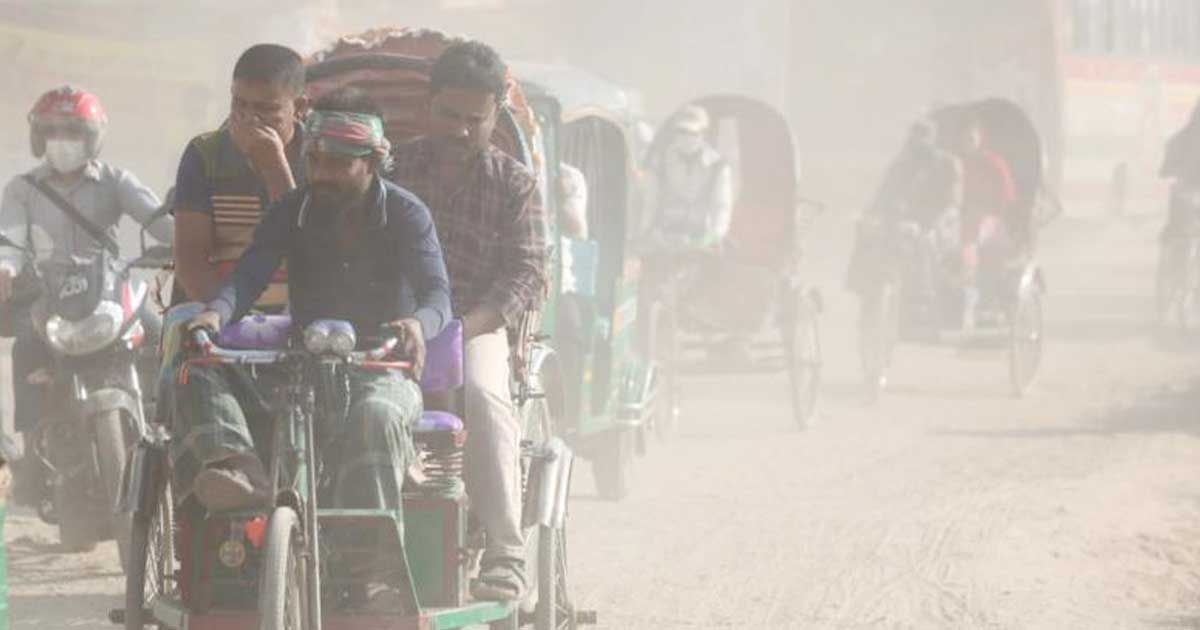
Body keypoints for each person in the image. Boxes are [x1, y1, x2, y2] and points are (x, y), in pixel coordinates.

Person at [177, 88, 450, 605]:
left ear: (372, 162)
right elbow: (250, 276)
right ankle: (239, 469)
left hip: (381, 366)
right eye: (316, 160)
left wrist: (418, 323)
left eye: (337, 164)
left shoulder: (409, 215)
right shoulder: (291, 209)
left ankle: (367, 566)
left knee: (375, 416)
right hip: (301, 365)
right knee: (199, 367)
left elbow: (438, 295)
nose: (321, 173)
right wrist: (214, 313)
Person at [388, 40, 547, 601]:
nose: (459, 130)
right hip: (395, 322)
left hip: (477, 323)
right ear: (430, 107)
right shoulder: (394, 168)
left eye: (473, 121)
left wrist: (464, 326)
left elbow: (527, 273)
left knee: (481, 393)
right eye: (449, 115)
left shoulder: (513, 184)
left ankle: (505, 550)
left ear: (495, 117)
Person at [0, 86, 172, 500]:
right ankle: (31, 466)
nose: (63, 141)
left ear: (92, 137)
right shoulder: (22, 189)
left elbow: (159, 222)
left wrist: (186, 244)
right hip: (50, 295)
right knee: (25, 348)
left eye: (73, 132)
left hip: (110, 288)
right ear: (39, 137)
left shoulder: (115, 180)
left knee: (166, 337)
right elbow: (9, 237)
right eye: (54, 131)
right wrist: (5, 267)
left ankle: (174, 434)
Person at [958, 117, 1019, 330]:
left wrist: (990, 214)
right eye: (964, 139)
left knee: (974, 251)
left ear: (980, 140)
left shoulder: (994, 163)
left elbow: (1007, 195)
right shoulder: (960, 165)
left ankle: (982, 302)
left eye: (971, 139)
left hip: (992, 221)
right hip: (967, 221)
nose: (967, 143)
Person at [645, 105, 733, 249]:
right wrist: (648, 232)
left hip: (703, 241)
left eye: (693, 132)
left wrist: (712, 238)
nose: (687, 137)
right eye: (682, 131)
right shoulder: (659, 162)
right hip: (662, 240)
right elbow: (649, 203)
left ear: (703, 134)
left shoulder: (718, 165)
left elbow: (722, 208)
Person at [1160, 99, 1200, 242]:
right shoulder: (1183, 138)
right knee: (1177, 230)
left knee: (1176, 229)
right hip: (1188, 189)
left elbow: (1168, 167)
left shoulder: (1181, 137)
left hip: (1187, 188)